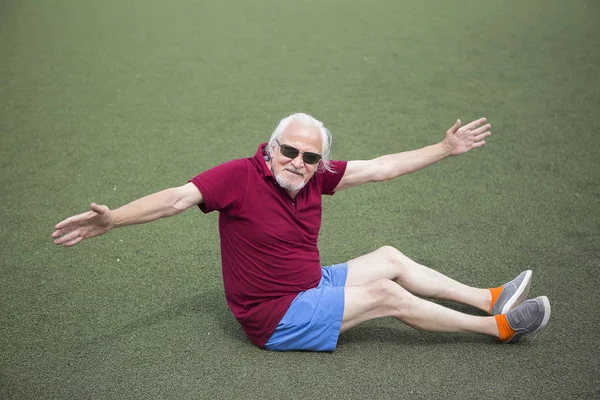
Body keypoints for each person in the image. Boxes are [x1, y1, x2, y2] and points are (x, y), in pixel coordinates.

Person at [52, 113, 551, 351]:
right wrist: (112, 218)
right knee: (385, 294)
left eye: (311, 156)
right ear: (270, 149)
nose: (298, 162)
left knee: (391, 258)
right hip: (273, 316)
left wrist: (444, 149)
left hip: (308, 286)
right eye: (289, 151)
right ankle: (498, 328)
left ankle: (489, 298)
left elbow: (381, 167)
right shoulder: (237, 177)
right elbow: (175, 199)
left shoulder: (318, 176)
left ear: (321, 162)